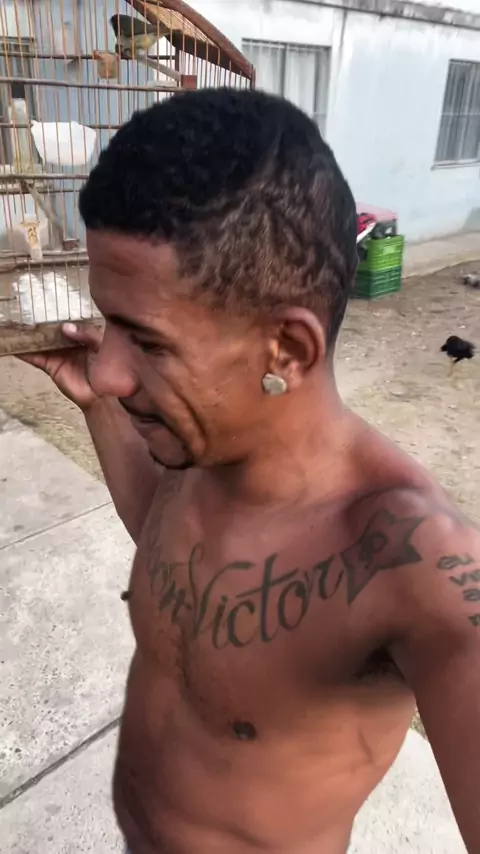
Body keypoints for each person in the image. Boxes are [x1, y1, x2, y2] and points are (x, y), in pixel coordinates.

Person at [22, 88, 480, 854]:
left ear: (287, 351)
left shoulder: (415, 566)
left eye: (147, 341)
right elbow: (166, 545)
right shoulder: (199, 443)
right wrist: (100, 409)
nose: (106, 369)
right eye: (108, 323)